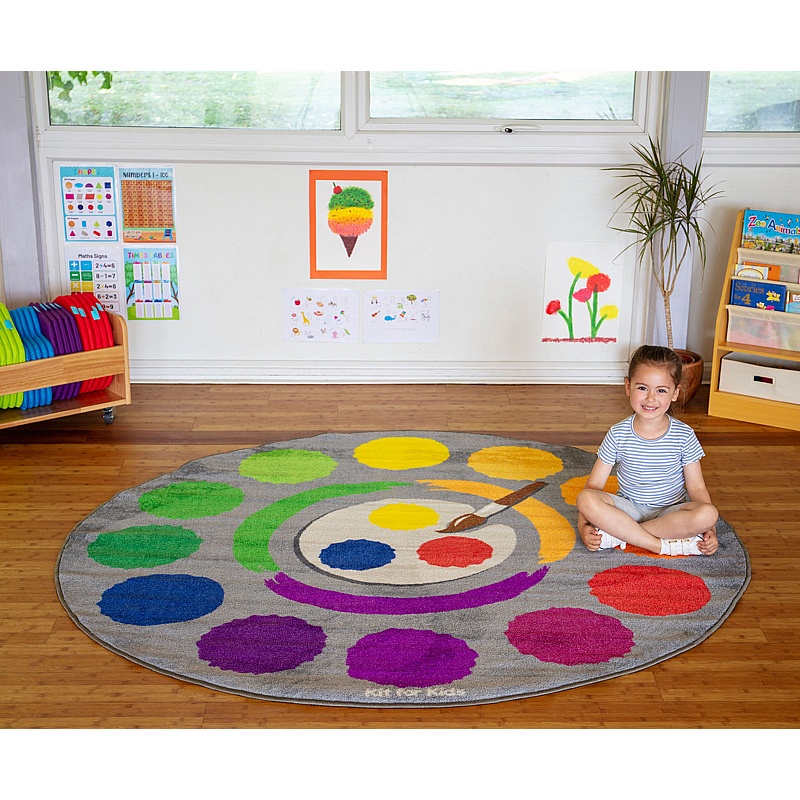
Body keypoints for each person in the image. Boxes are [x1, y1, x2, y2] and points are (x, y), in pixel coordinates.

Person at [577, 345, 719, 556]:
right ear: (628, 386)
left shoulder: (684, 435)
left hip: (670, 513)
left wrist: (711, 531)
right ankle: (658, 545)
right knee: (585, 499)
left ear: (675, 393)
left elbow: (697, 489)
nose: (651, 398)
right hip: (629, 509)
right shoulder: (618, 433)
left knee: (708, 514)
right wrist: (583, 527)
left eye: (661, 390)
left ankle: (620, 535)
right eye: (642, 388)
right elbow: (594, 485)